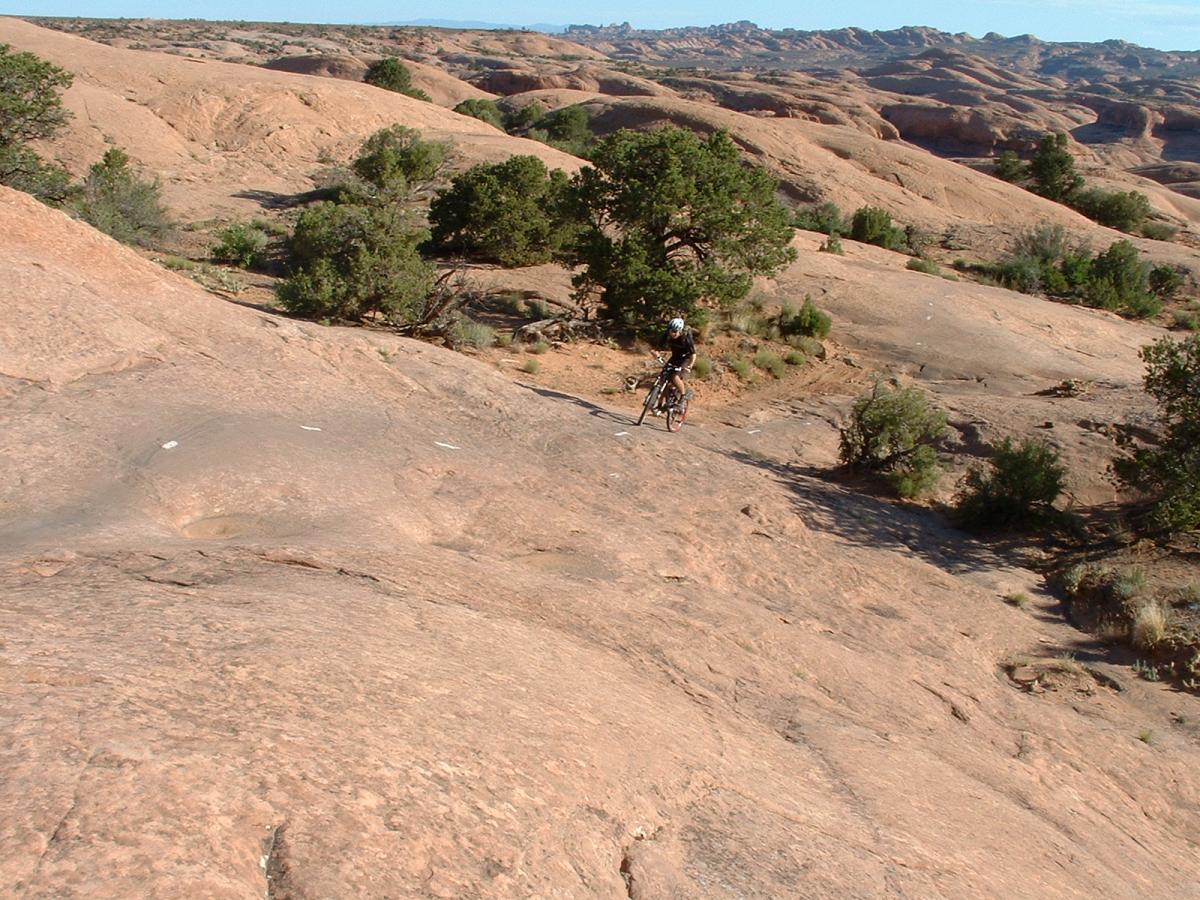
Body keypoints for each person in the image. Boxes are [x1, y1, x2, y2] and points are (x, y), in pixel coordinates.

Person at [654, 317, 695, 414]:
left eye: (675, 331)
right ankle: (659, 405)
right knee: (663, 380)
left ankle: (682, 397)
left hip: (685, 359)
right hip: (675, 357)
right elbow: (658, 347)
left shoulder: (686, 338)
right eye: (671, 331)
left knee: (675, 377)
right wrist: (655, 353)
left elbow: (693, 354)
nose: (672, 333)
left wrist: (689, 366)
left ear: (680, 331)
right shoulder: (667, 334)